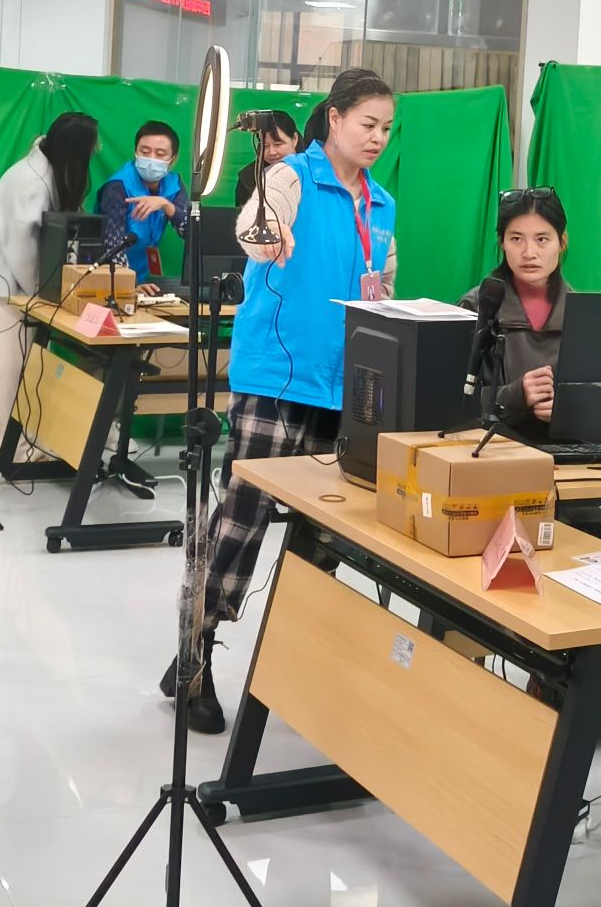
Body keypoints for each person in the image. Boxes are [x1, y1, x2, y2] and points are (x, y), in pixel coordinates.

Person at [162, 68, 397, 734]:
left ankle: (296, 660)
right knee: (241, 523)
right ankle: (193, 657)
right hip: (273, 380)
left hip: (344, 388)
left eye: (386, 127)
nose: (377, 137)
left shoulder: (382, 204)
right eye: (367, 124)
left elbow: (381, 283)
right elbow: (254, 228)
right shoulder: (291, 176)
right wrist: (267, 238)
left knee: (324, 535)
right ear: (335, 119)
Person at [459, 189, 601, 752]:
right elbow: (453, 409)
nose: (529, 252)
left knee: (597, 555)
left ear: (563, 243)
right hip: (497, 471)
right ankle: (545, 673)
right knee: (517, 563)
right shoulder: (478, 306)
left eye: (542, 239)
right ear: (501, 244)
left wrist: (571, 409)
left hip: (571, 469)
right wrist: (515, 397)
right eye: (516, 239)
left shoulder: (588, 314)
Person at [0, 112, 99, 452]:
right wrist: (45, 295)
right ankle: (8, 449)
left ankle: (28, 443)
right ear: (76, 148)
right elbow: (21, 249)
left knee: (29, 368)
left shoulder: (52, 170)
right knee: (7, 369)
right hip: (4, 284)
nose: (96, 151)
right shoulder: (30, 180)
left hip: (25, 285)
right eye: (91, 146)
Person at [96, 120, 187, 292]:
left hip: (144, 279)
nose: (151, 159)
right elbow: (111, 246)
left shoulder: (174, 184)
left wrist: (167, 206)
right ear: (135, 152)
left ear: (173, 159)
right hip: (110, 281)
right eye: (145, 152)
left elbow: (190, 231)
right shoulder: (118, 187)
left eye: (160, 154)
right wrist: (128, 287)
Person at [234, 111, 300, 206]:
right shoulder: (248, 180)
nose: (272, 152)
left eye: (278, 144)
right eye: (265, 146)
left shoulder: (312, 173)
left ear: (294, 139)